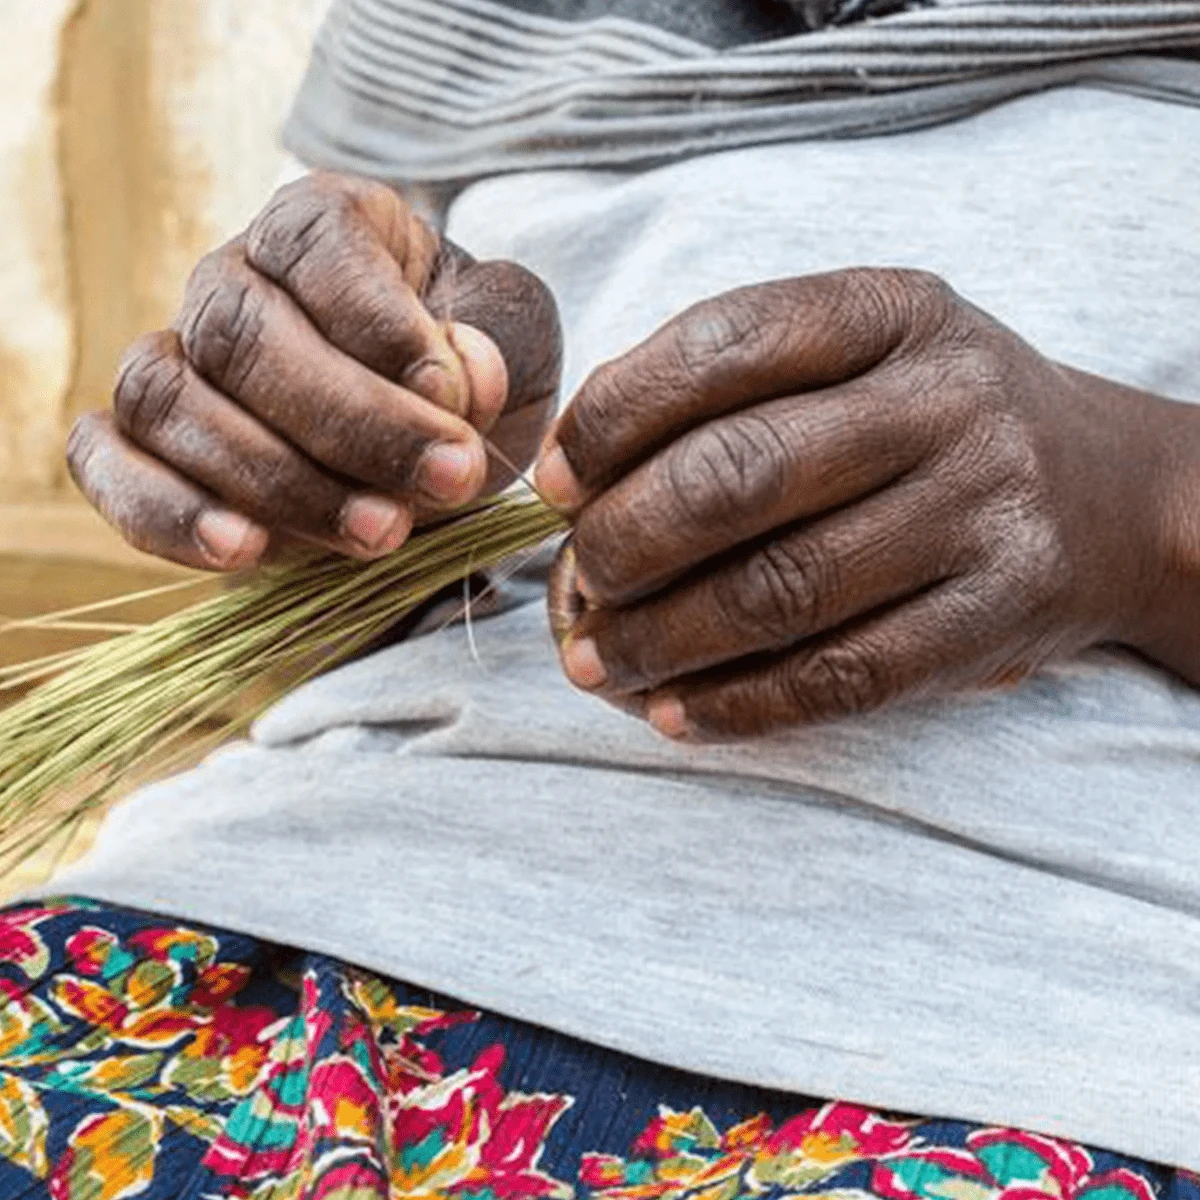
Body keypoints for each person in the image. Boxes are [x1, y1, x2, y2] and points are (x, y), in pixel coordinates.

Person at [4, 0, 1200, 1195]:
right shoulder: (467, 27)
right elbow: (373, 603)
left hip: (1026, 1045)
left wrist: (1140, 506)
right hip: (268, 919)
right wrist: (378, 447)